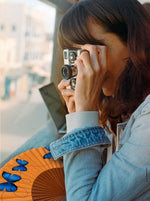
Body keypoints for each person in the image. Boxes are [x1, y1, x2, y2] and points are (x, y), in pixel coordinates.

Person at [50, 0, 150, 200]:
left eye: (94, 51)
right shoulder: (118, 102)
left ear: (136, 42)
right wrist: (86, 115)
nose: (85, 66)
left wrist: (83, 118)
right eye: (78, 54)